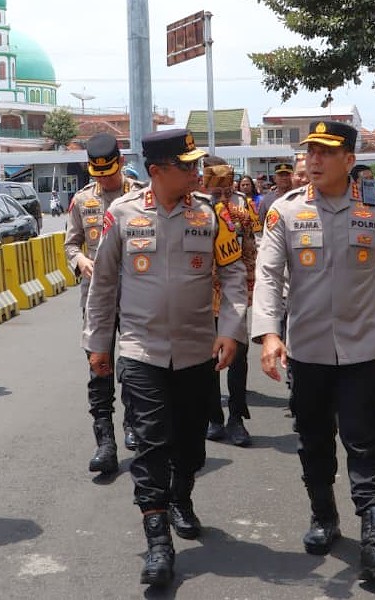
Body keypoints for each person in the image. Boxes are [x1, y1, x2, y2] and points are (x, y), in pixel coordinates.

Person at [83, 129, 247, 587]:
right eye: (187, 165)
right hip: (141, 351)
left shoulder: (210, 215)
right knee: (152, 443)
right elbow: (104, 285)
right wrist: (98, 343)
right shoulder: (122, 215)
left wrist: (231, 330)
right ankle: (158, 540)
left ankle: (181, 496)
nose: (197, 171)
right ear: (157, 171)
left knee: (191, 445)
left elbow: (234, 275)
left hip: (198, 352)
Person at [252, 120, 375, 582]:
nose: (313, 161)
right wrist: (269, 333)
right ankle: (324, 514)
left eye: (325, 153)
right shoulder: (284, 211)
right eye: (309, 152)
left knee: (365, 442)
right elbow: (268, 275)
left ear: (349, 161)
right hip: (308, 351)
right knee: (314, 441)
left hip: (362, 349)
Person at [65, 132, 143, 475]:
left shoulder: (141, 196)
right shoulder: (82, 201)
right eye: (97, 174)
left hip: (137, 295)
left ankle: (132, 425)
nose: (103, 180)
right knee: (99, 369)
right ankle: (105, 443)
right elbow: (71, 244)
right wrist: (80, 261)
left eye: (109, 173)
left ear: (121, 163)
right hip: (95, 296)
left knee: (134, 368)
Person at [200, 160, 257, 447]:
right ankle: (214, 418)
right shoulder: (197, 211)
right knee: (209, 359)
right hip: (204, 296)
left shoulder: (244, 211)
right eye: (215, 193)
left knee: (238, 358)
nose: (221, 198)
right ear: (204, 188)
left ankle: (237, 417)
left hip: (235, 294)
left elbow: (250, 250)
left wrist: (249, 288)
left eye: (226, 191)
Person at [257, 163, 295, 227]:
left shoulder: (299, 196)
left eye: (287, 175)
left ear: (293, 177)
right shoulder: (267, 198)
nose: (284, 178)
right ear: (274, 178)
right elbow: (262, 221)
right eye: (281, 175)